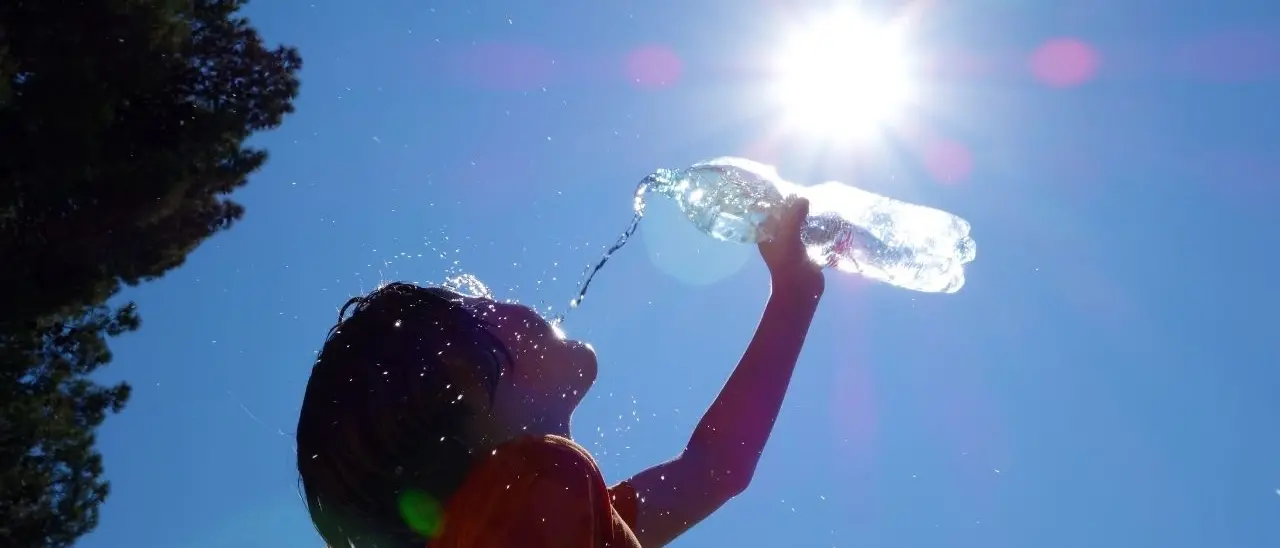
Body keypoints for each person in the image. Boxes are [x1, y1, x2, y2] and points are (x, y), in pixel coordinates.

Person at [296, 198, 825, 547]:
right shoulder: (543, 487)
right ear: (461, 390)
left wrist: (796, 294)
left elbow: (715, 467)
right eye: (476, 303)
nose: (500, 298)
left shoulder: (562, 520)